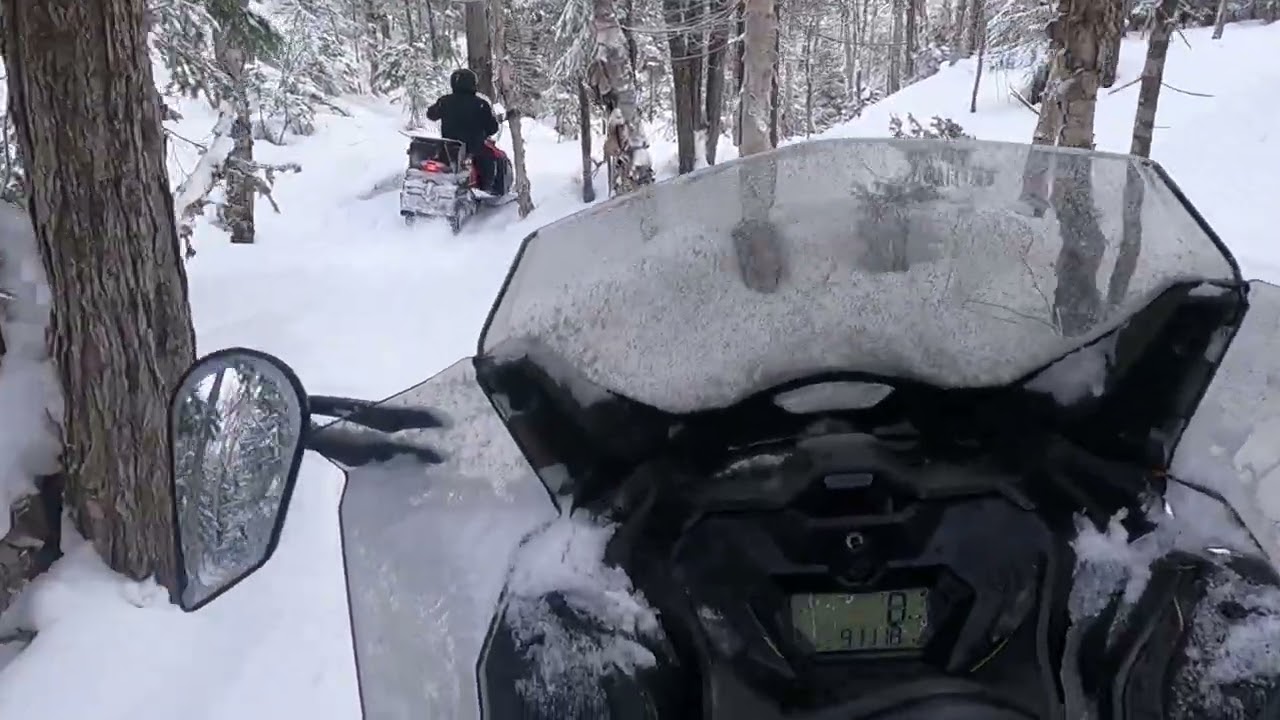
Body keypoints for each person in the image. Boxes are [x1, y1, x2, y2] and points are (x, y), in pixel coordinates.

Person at [426, 68, 501, 193]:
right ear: (472, 83)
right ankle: (486, 189)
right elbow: (492, 128)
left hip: (449, 147)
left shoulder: (445, 101)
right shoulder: (480, 104)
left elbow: (431, 115)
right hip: (473, 148)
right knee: (489, 158)